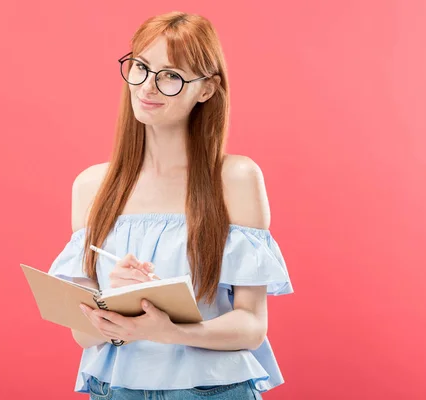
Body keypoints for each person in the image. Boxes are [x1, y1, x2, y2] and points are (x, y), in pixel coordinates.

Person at [48, 11, 293, 400]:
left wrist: (170, 331)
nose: (148, 87)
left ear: (207, 89)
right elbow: (83, 334)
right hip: (114, 389)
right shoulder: (92, 186)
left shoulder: (236, 178)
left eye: (171, 76)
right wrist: (115, 300)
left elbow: (251, 325)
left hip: (213, 389)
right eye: (142, 67)